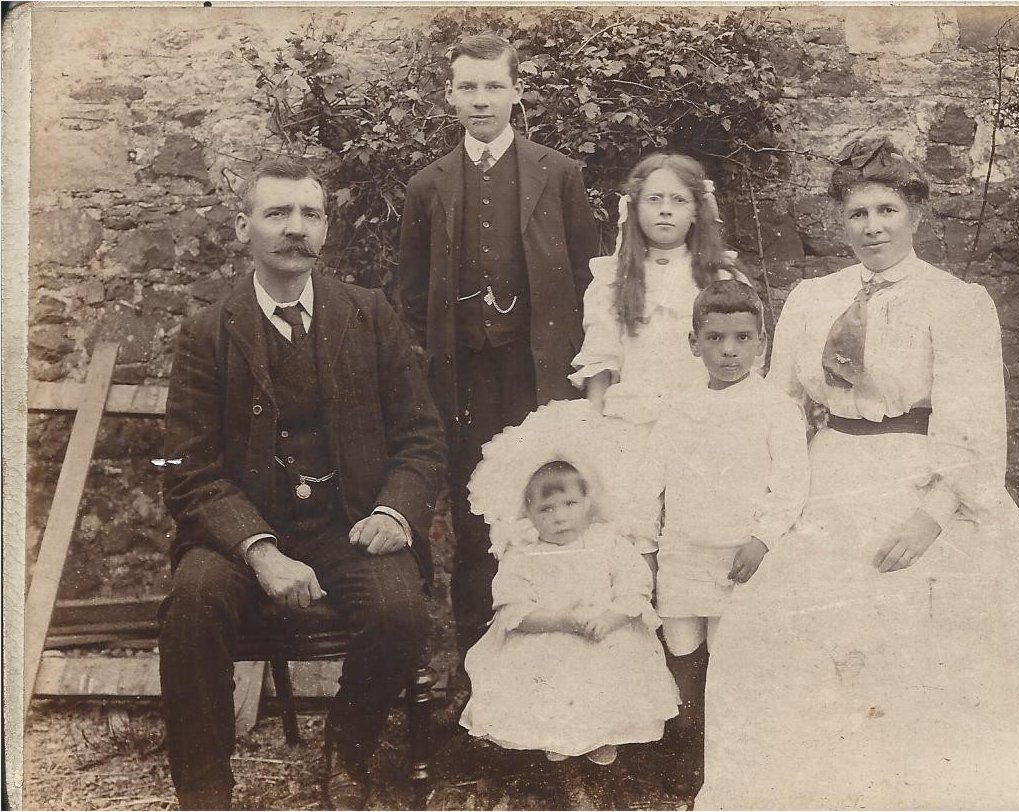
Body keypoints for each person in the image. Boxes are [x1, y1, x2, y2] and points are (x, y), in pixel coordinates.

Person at [695, 137, 1019, 810]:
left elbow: (972, 420)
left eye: (885, 210)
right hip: (825, 476)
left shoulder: (955, 301)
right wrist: (769, 509)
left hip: (917, 475)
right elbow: (782, 410)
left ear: (913, 215)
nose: (871, 227)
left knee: (927, 626)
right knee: (778, 618)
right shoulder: (810, 299)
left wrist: (931, 516)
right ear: (838, 221)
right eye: (857, 214)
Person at [161, 157, 446, 811]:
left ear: (325, 227)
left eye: (310, 214)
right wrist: (259, 552)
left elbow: (421, 438)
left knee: (399, 610)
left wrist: (395, 514)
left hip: (349, 523)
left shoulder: (369, 316)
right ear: (244, 228)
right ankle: (204, 792)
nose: (296, 229)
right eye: (277, 213)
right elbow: (189, 469)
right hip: (243, 534)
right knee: (192, 600)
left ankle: (348, 756)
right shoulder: (208, 333)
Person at [397, 32, 600, 661]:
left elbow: (588, 277)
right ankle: (481, 683)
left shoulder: (559, 174)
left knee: (554, 515)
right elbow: (409, 297)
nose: (480, 99)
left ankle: (562, 678)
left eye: (493, 86)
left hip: (540, 377)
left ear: (516, 91)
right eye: (467, 87)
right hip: (465, 383)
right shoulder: (426, 187)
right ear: (449, 96)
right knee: (476, 519)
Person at [640, 279, 809, 796]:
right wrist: (647, 548)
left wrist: (762, 539)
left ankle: (732, 764)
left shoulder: (776, 408)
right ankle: (686, 750)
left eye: (742, 337)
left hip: (743, 559)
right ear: (694, 343)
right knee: (682, 652)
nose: (729, 350)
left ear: (761, 342)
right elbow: (651, 483)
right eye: (715, 338)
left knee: (735, 663)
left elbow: (791, 483)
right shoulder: (675, 408)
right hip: (684, 556)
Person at [569, 153, 743, 563]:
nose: (665, 209)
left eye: (679, 200)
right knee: (634, 529)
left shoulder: (719, 277)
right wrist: (595, 429)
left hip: (701, 421)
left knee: (694, 529)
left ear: (698, 211)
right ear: (633, 208)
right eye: (654, 199)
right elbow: (602, 358)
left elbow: (737, 361)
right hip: (632, 421)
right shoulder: (612, 277)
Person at [459, 459, 679, 765]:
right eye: (546, 509)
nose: (560, 517)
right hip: (550, 631)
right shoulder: (524, 552)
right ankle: (558, 734)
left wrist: (610, 618)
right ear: (529, 513)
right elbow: (513, 606)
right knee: (548, 676)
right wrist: (558, 620)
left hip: (603, 629)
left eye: (570, 504)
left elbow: (635, 586)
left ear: (588, 502)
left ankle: (604, 734)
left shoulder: (607, 542)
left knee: (606, 672)